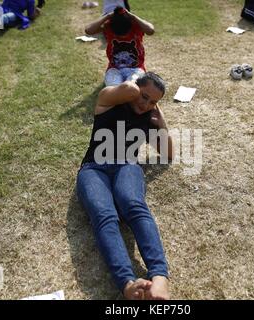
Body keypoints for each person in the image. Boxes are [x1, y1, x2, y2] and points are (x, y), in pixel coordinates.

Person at [76, 72, 173, 300]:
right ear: (135, 88)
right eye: (144, 96)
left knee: (133, 205)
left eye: (153, 102)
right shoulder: (107, 102)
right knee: (104, 214)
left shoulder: (148, 119)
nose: (146, 104)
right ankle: (128, 284)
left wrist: (162, 122)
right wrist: (136, 79)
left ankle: (160, 277)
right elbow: (128, 89)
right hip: (93, 168)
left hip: (127, 165)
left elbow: (168, 153)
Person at [85, 6, 154, 87]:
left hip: (136, 69)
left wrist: (134, 17)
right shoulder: (108, 26)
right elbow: (88, 30)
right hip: (114, 69)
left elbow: (151, 30)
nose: (122, 37)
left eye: (126, 33)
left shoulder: (136, 26)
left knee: (131, 86)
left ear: (131, 23)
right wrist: (107, 16)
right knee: (114, 87)